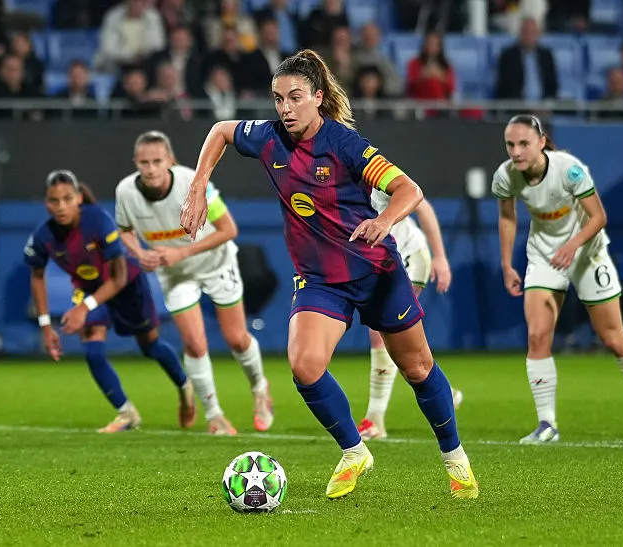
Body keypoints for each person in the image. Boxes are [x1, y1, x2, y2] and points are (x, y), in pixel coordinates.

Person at [179, 49, 478, 501]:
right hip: (319, 279)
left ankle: (456, 461)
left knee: (416, 367)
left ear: (318, 97)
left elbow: (409, 190)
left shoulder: (345, 145)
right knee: (304, 366)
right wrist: (198, 184)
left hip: (375, 271)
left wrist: (384, 222)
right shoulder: (268, 137)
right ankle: (355, 451)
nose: (284, 108)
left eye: (294, 98)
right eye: (278, 99)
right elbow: (220, 131)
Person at [493, 115, 623, 444]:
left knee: (613, 338)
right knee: (538, 335)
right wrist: (506, 264)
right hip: (545, 257)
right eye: (510, 145)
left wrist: (573, 246)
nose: (516, 152)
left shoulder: (569, 170)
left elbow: (599, 216)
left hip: (587, 254)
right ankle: (547, 424)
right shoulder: (505, 176)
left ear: (542, 142)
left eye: (524, 144)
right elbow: (507, 216)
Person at [114, 130, 273, 436]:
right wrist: (139, 253)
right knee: (194, 344)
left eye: (157, 161)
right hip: (176, 273)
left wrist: (182, 251)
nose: (150, 169)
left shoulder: (192, 182)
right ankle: (215, 416)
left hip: (215, 263)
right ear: (135, 163)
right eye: (144, 162)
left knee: (237, 339)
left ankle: (260, 388)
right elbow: (124, 229)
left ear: (169, 160)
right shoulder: (125, 192)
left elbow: (228, 230)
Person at [24, 170, 196, 433]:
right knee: (92, 351)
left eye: (67, 198)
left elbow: (118, 278)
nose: (60, 207)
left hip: (127, 286)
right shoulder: (43, 235)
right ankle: (127, 414)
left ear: (79, 198)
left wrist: (84, 307)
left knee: (150, 346)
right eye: (53, 201)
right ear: (46, 203)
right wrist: (46, 326)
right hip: (90, 291)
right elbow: (37, 276)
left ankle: (185, 387)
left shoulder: (99, 222)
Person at [357, 191, 461, 440]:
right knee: (402, 346)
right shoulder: (332, 181)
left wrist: (440, 257)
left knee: (381, 333)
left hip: (409, 257)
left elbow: (422, 205)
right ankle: (443, 393)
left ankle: (374, 419)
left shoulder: (373, 173)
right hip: (379, 263)